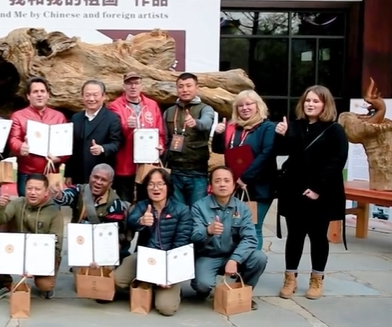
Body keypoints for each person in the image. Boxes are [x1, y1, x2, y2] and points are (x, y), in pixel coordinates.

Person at [274, 85, 347, 300]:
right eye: (307, 100)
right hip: (294, 190)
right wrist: (282, 135)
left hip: (320, 192)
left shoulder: (334, 130)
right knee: (294, 236)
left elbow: (337, 162)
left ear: (325, 104)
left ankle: (317, 278)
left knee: (318, 236)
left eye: (315, 101)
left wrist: (317, 189)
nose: (310, 104)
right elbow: (286, 153)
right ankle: (290, 277)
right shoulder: (296, 126)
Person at [113, 168, 193, 316]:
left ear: (168, 186)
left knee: (166, 309)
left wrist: (169, 273)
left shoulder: (182, 210)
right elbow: (131, 221)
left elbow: (181, 244)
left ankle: (165, 287)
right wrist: (141, 221)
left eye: (160, 184)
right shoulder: (142, 206)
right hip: (145, 257)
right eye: (151, 184)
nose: (156, 188)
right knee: (116, 280)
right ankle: (145, 280)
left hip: (170, 260)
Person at [190, 166, 267, 309]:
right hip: (208, 255)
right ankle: (202, 289)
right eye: (217, 181)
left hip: (233, 254)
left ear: (233, 186)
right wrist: (208, 231)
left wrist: (235, 259)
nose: (222, 184)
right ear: (210, 186)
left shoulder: (243, 208)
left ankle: (242, 291)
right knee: (202, 285)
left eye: (226, 181)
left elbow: (250, 238)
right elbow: (193, 237)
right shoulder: (199, 207)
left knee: (259, 258)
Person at [211, 90, 277, 250]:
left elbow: (266, 154)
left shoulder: (267, 127)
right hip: (235, 185)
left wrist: (244, 178)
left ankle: (252, 262)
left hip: (259, 187)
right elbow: (219, 149)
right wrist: (218, 134)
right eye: (240, 105)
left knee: (253, 227)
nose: (244, 108)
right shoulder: (234, 128)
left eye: (249, 104)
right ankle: (237, 261)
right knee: (235, 227)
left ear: (258, 105)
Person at [0, 173, 65, 301]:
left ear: (46, 192)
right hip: (17, 250)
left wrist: (34, 266)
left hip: (42, 254)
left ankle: (46, 284)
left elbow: (56, 248)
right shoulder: (17, 203)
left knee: (45, 285)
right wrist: (0, 207)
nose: (33, 193)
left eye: (38, 189)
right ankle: (5, 283)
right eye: (29, 188)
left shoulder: (54, 213)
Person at [107, 71, 165, 202]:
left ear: (141, 86)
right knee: (125, 200)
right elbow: (114, 135)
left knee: (146, 199)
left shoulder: (152, 105)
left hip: (147, 162)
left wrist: (160, 145)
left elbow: (160, 132)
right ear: (124, 86)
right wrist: (127, 127)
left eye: (136, 83)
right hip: (125, 162)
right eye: (129, 83)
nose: (133, 86)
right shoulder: (115, 106)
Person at [53, 164, 130, 261]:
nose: (98, 182)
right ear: (90, 177)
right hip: (80, 241)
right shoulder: (79, 190)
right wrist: (59, 195)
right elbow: (67, 196)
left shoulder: (115, 204)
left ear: (110, 184)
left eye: (103, 180)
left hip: (102, 244)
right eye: (96, 177)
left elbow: (110, 236)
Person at [8, 77, 69, 196]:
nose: (39, 95)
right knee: (26, 205)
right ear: (28, 96)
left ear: (48, 95)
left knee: (52, 205)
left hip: (51, 172)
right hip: (27, 172)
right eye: (35, 92)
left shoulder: (59, 116)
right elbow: (13, 139)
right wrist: (21, 147)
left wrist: (60, 159)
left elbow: (66, 144)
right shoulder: (18, 116)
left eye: (42, 91)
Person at [162, 73, 216, 206]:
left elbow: (206, 122)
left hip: (197, 172)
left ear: (197, 87)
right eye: (181, 86)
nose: (184, 90)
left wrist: (196, 123)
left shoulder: (205, 109)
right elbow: (165, 139)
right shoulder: (169, 112)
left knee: (197, 211)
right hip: (174, 171)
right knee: (177, 211)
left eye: (188, 86)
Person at [66, 80, 123, 185]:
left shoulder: (112, 118)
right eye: (87, 95)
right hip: (78, 174)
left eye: (95, 95)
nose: (91, 99)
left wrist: (102, 148)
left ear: (103, 96)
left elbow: (116, 143)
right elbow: (71, 147)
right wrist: (68, 174)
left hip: (101, 175)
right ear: (82, 96)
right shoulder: (76, 118)